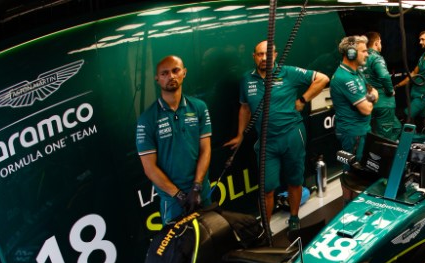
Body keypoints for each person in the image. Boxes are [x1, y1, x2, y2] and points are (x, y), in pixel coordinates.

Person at [225, 41, 329, 231]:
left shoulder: (288, 72)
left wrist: (302, 100)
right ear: (253, 57)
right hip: (266, 142)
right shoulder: (247, 80)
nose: (264, 58)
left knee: (294, 181)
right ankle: (266, 227)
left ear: (275, 54)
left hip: (292, 135)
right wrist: (240, 134)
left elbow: (322, 78)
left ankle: (294, 218)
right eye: (260, 54)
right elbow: (245, 108)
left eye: (268, 54)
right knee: (267, 189)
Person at [136, 55, 213, 227]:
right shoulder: (147, 119)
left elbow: (205, 150)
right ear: (157, 79)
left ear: (184, 73)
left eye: (175, 70)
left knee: (211, 239)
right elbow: (149, 168)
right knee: (180, 251)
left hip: (201, 192)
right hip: (172, 201)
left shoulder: (199, 107)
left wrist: (196, 187)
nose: (170, 76)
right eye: (164, 73)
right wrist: (178, 195)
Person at [330, 36, 378, 163]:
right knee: (353, 172)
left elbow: (372, 90)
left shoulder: (356, 72)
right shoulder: (345, 77)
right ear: (351, 54)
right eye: (364, 51)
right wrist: (372, 97)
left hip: (362, 130)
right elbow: (367, 109)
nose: (367, 55)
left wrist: (371, 97)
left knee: (362, 169)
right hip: (353, 133)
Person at [363, 32, 401, 141]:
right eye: (380, 42)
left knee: (397, 127)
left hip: (367, 100)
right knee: (384, 137)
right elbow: (384, 76)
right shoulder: (376, 58)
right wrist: (390, 91)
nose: (381, 45)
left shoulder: (361, 58)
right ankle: (382, 154)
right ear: (376, 43)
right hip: (383, 102)